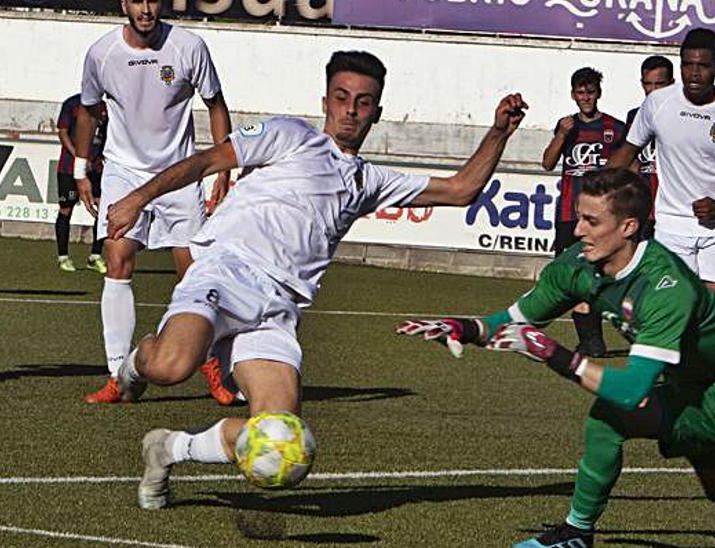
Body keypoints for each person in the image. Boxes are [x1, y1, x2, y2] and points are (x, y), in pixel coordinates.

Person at [103, 50, 528, 509]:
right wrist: (138, 197)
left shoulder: (370, 180)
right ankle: (133, 365)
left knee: (278, 436)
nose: (350, 109)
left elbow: (461, 190)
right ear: (325, 100)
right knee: (170, 367)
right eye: (342, 97)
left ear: (377, 113)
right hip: (226, 271)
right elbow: (208, 162)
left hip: (277, 310)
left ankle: (168, 448)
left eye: (363, 102)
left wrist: (499, 132)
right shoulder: (291, 135)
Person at [400, 168, 715, 548]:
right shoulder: (578, 264)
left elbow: (629, 390)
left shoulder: (665, 286)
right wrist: (464, 327)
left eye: (592, 222)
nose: (579, 230)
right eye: (579, 217)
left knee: (611, 415)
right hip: (678, 380)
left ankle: (576, 534)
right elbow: (515, 318)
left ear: (628, 227)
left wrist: (552, 354)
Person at [71, 0, 235, 405]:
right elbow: (88, 113)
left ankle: (212, 362)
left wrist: (222, 170)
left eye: (153, 0)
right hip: (124, 173)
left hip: (180, 174)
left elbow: (216, 105)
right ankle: (118, 377)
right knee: (117, 259)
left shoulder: (188, 47)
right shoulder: (101, 54)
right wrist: (80, 171)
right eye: (137, 0)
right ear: (124, 4)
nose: (146, 8)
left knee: (194, 275)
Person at [609, 29, 715, 311]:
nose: (694, 73)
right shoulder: (657, 103)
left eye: (703, 66)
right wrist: (596, 188)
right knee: (676, 313)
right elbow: (627, 152)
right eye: (687, 65)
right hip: (671, 226)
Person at [540, 67, 625, 357]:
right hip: (569, 215)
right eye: (580, 92)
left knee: (604, 275)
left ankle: (610, 335)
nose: (585, 97)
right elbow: (548, 163)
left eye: (590, 91)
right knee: (572, 276)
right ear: (573, 95)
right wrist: (562, 135)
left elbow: (628, 165)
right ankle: (591, 341)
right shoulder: (566, 126)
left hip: (602, 216)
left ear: (598, 93)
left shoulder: (614, 127)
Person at [54, 93, 107, 274]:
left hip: (96, 168)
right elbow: (62, 132)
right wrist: (78, 156)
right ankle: (63, 257)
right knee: (66, 209)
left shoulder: (106, 108)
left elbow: (107, 136)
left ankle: (95, 256)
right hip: (69, 168)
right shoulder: (72, 104)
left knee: (103, 208)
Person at [624, 54, 675, 238]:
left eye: (659, 84)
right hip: (643, 208)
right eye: (648, 84)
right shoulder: (634, 116)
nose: (652, 90)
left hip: (673, 209)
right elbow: (631, 161)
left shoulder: (683, 116)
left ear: (672, 83)